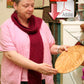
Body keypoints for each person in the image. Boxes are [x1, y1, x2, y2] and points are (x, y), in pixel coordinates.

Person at [0, 0, 69, 84]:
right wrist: (37, 67)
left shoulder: (41, 24)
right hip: (19, 80)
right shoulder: (7, 27)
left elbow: (50, 47)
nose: (30, 9)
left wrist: (59, 48)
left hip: (42, 76)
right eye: (26, 6)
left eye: (32, 6)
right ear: (15, 5)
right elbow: (10, 55)